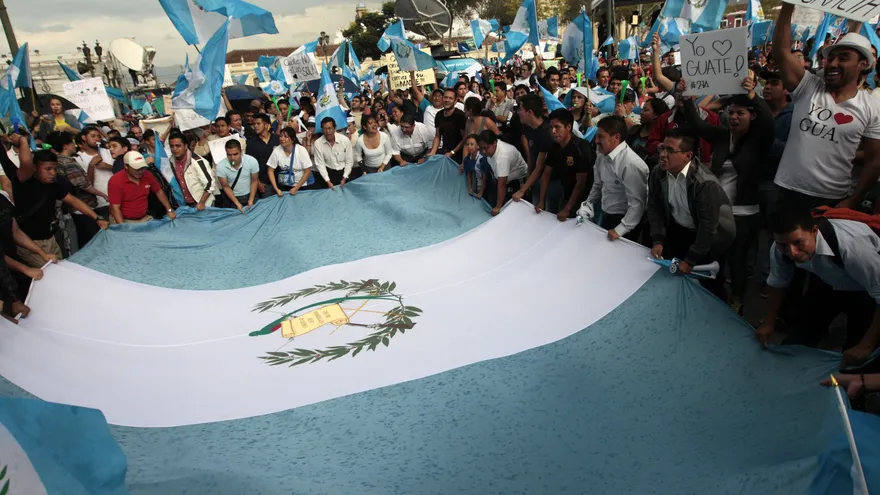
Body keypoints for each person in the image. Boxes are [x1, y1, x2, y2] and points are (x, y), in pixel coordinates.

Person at [680, 75, 775, 313]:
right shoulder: (722, 135)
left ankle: (739, 300)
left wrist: (754, 95)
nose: (733, 117)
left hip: (745, 213)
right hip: (720, 211)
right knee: (717, 258)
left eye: (740, 113)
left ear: (752, 116)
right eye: (731, 112)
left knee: (737, 261)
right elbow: (698, 125)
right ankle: (716, 297)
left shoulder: (759, 140)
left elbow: (769, 122)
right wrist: (688, 99)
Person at [773, 5, 880, 211]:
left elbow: (874, 160)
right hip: (788, 191)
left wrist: (853, 201)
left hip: (833, 200)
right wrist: (788, 5)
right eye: (831, 57)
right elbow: (781, 52)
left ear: (862, 65)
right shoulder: (809, 87)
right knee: (783, 244)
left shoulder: (872, 107)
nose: (833, 63)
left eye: (844, 58)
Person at [756, 207, 880, 367]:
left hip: (866, 290)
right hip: (827, 281)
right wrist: (768, 323)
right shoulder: (780, 249)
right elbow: (777, 282)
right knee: (797, 341)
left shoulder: (852, 248)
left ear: (815, 231)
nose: (792, 252)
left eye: (798, 242)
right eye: (783, 245)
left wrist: (867, 346)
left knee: (855, 356)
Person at [646, 130, 736, 300]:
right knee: (674, 277)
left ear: (687, 156)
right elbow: (654, 207)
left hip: (712, 237)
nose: (663, 155)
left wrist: (691, 260)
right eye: (662, 148)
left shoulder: (705, 184)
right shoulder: (658, 173)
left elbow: (708, 226)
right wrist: (657, 239)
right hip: (680, 229)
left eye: (670, 151)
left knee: (710, 286)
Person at [12, 147, 108, 265]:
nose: (53, 173)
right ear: (35, 168)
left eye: (54, 169)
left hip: (51, 239)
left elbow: (73, 201)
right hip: (29, 243)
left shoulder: (53, 185)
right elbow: (26, 162)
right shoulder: (23, 184)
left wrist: (96, 218)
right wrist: (22, 139)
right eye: (48, 169)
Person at [582, 115, 648, 239]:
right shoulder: (601, 156)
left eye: (601, 137)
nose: (596, 141)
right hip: (606, 213)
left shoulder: (631, 164)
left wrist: (620, 230)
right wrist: (588, 204)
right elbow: (598, 185)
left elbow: (637, 204)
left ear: (616, 137)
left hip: (626, 222)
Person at [47, 131, 108, 246]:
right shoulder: (67, 162)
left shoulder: (57, 160)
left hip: (73, 209)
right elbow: (83, 184)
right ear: (65, 146)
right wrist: (103, 194)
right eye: (71, 143)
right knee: (92, 243)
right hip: (82, 208)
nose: (74, 145)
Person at [538, 109, 595, 222]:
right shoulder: (555, 147)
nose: (553, 131)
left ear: (568, 127)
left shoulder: (581, 147)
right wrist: (541, 201)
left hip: (586, 201)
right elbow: (546, 173)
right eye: (551, 127)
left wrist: (567, 209)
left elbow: (581, 182)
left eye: (557, 127)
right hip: (566, 194)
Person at [107, 151, 176, 224]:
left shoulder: (147, 174)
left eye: (142, 168)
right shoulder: (115, 181)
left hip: (144, 217)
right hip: (124, 220)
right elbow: (115, 208)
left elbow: (159, 191)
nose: (140, 171)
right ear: (126, 166)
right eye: (136, 169)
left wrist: (169, 210)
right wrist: (123, 227)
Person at [513, 94, 554, 208]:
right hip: (535, 179)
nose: (518, 113)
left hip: (551, 181)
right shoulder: (528, 127)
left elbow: (540, 166)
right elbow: (531, 155)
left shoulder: (546, 132)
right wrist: (528, 180)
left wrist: (522, 190)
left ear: (529, 112)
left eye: (520, 109)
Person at [477, 130, 528, 216]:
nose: (483, 151)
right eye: (481, 148)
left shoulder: (502, 156)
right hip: (502, 178)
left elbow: (502, 184)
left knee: (510, 211)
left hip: (517, 180)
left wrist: (498, 207)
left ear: (494, 143)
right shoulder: (492, 149)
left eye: (486, 148)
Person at [169, 133, 216, 210]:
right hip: (184, 205)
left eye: (178, 146)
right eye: (172, 146)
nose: (174, 149)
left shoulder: (198, 161)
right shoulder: (170, 162)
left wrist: (201, 203)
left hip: (203, 204)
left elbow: (210, 183)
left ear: (185, 146)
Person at [75, 126, 115, 216]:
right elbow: (86, 184)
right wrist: (91, 166)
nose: (97, 139)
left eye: (98, 136)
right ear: (84, 138)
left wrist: (107, 166)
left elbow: (121, 170)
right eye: (93, 136)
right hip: (100, 203)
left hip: (117, 199)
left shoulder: (108, 152)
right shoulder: (78, 158)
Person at [267, 127, 314, 195]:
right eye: (281, 136)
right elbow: (270, 170)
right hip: (285, 184)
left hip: (302, 185)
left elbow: (308, 171)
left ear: (293, 139)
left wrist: (296, 188)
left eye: (285, 137)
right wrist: (276, 189)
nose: (282, 139)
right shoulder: (277, 150)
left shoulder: (301, 150)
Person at [216, 140, 259, 212]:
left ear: (241, 152)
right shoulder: (221, 166)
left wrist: (251, 200)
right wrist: (237, 203)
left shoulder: (252, 161)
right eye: (229, 155)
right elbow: (225, 186)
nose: (232, 158)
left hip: (250, 194)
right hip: (233, 197)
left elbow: (254, 181)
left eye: (235, 154)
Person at [246, 113, 281, 198]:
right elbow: (249, 165)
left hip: (281, 180)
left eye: (258, 124)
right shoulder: (251, 143)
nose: (255, 126)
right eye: (254, 124)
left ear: (266, 125)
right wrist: (258, 182)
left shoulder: (277, 139)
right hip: (264, 183)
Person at [313, 117, 353, 190]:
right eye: (325, 129)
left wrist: (345, 177)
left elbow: (349, 161)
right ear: (322, 130)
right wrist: (327, 181)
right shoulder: (318, 143)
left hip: (345, 173)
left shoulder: (345, 140)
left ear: (335, 128)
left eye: (330, 128)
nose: (327, 131)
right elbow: (320, 164)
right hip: (329, 174)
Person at [627, 97, 669, 166]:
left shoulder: (661, 141)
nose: (641, 113)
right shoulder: (634, 130)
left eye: (645, 110)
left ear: (655, 115)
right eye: (642, 109)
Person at [430, 88, 467, 161]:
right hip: (445, 151)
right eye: (445, 97)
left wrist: (452, 152)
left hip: (459, 154)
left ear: (455, 101)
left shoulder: (460, 115)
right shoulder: (439, 115)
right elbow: (437, 136)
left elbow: (464, 138)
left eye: (450, 98)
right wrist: (433, 152)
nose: (447, 100)